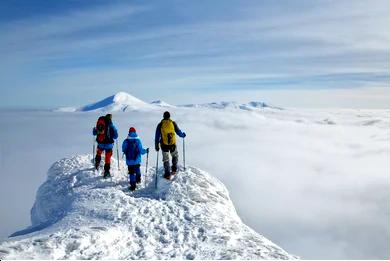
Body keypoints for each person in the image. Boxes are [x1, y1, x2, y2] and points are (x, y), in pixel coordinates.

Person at [155, 111, 186, 180]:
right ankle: (174, 169)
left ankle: (167, 174)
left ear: (163, 116)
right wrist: (183, 135)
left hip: (164, 144)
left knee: (166, 159)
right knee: (175, 155)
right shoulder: (173, 123)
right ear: (169, 116)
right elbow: (178, 132)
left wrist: (156, 145)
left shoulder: (160, 124)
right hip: (173, 143)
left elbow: (157, 136)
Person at [93, 114, 118, 178]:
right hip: (108, 144)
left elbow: (94, 133)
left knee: (99, 153)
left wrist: (95, 130)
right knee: (107, 158)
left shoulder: (100, 123)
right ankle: (106, 172)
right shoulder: (112, 126)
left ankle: (97, 164)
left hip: (100, 143)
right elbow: (115, 137)